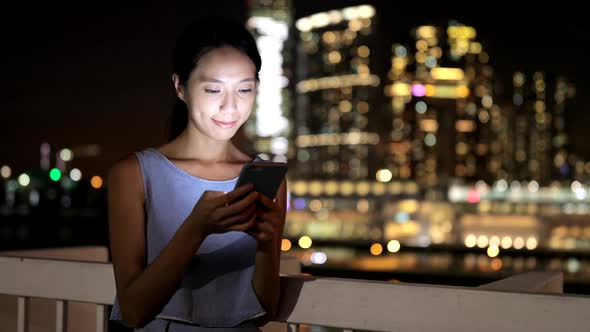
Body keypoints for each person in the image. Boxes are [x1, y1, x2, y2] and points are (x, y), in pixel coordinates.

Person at [107, 16, 287, 331]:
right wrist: (196, 228)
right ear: (180, 87)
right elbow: (134, 310)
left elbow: (266, 309)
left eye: (245, 89)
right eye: (213, 89)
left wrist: (265, 243)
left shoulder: (267, 179)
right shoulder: (135, 174)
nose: (231, 107)